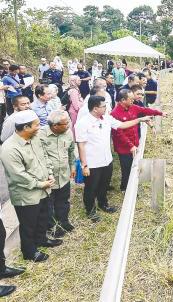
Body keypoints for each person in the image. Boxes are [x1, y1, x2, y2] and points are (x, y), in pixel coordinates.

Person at [75, 96, 151, 222]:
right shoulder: (83, 123)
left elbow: (122, 125)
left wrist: (140, 120)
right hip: (92, 162)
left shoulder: (106, 118)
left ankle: (103, 203)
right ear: (95, 109)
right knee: (91, 188)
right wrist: (84, 165)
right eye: (104, 106)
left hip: (106, 160)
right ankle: (90, 210)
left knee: (104, 184)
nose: (107, 108)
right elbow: (81, 145)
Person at [0, 110, 62, 262]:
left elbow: (44, 156)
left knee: (43, 216)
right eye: (36, 125)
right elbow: (18, 175)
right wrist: (41, 184)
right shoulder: (9, 148)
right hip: (26, 194)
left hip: (43, 188)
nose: (39, 127)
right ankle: (29, 252)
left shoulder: (35, 138)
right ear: (26, 127)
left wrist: (50, 174)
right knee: (28, 224)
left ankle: (41, 240)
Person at [111, 88, 164, 191]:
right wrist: (130, 145)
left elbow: (145, 110)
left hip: (134, 144)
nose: (133, 100)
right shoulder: (115, 114)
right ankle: (125, 189)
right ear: (122, 100)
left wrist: (160, 113)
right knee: (126, 169)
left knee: (134, 166)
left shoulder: (133, 107)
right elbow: (119, 134)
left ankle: (133, 186)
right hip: (124, 148)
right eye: (130, 99)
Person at [40, 110, 76, 238]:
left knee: (63, 201)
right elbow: (40, 157)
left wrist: (72, 166)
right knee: (49, 205)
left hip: (64, 176)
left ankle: (64, 222)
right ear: (55, 126)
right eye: (65, 123)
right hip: (49, 179)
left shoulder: (68, 133)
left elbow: (71, 150)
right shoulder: (40, 135)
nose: (68, 125)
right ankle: (53, 228)